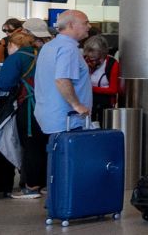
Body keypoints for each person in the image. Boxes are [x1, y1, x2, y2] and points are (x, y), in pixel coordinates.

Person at [33, 10, 93, 172]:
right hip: (67, 120)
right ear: (71, 25)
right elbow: (62, 79)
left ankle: (58, 196)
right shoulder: (68, 49)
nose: (89, 26)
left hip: (49, 115)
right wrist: (77, 105)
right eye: (85, 22)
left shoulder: (49, 46)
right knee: (68, 168)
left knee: (57, 167)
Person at [0, 22, 47, 198]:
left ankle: (31, 186)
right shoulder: (43, 53)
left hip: (27, 105)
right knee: (44, 144)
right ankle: (45, 183)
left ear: (13, 44)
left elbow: (4, 83)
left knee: (30, 145)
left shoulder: (17, 58)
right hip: (47, 104)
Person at [81, 36, 121, 125]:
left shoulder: (112, 64)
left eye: (95, 58)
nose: (92, 61)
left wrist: (90, 88)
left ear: (103, 54)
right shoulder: (83, 61)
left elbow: (113, 90)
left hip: (105, 106)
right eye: (89, 57)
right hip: (86, 103)